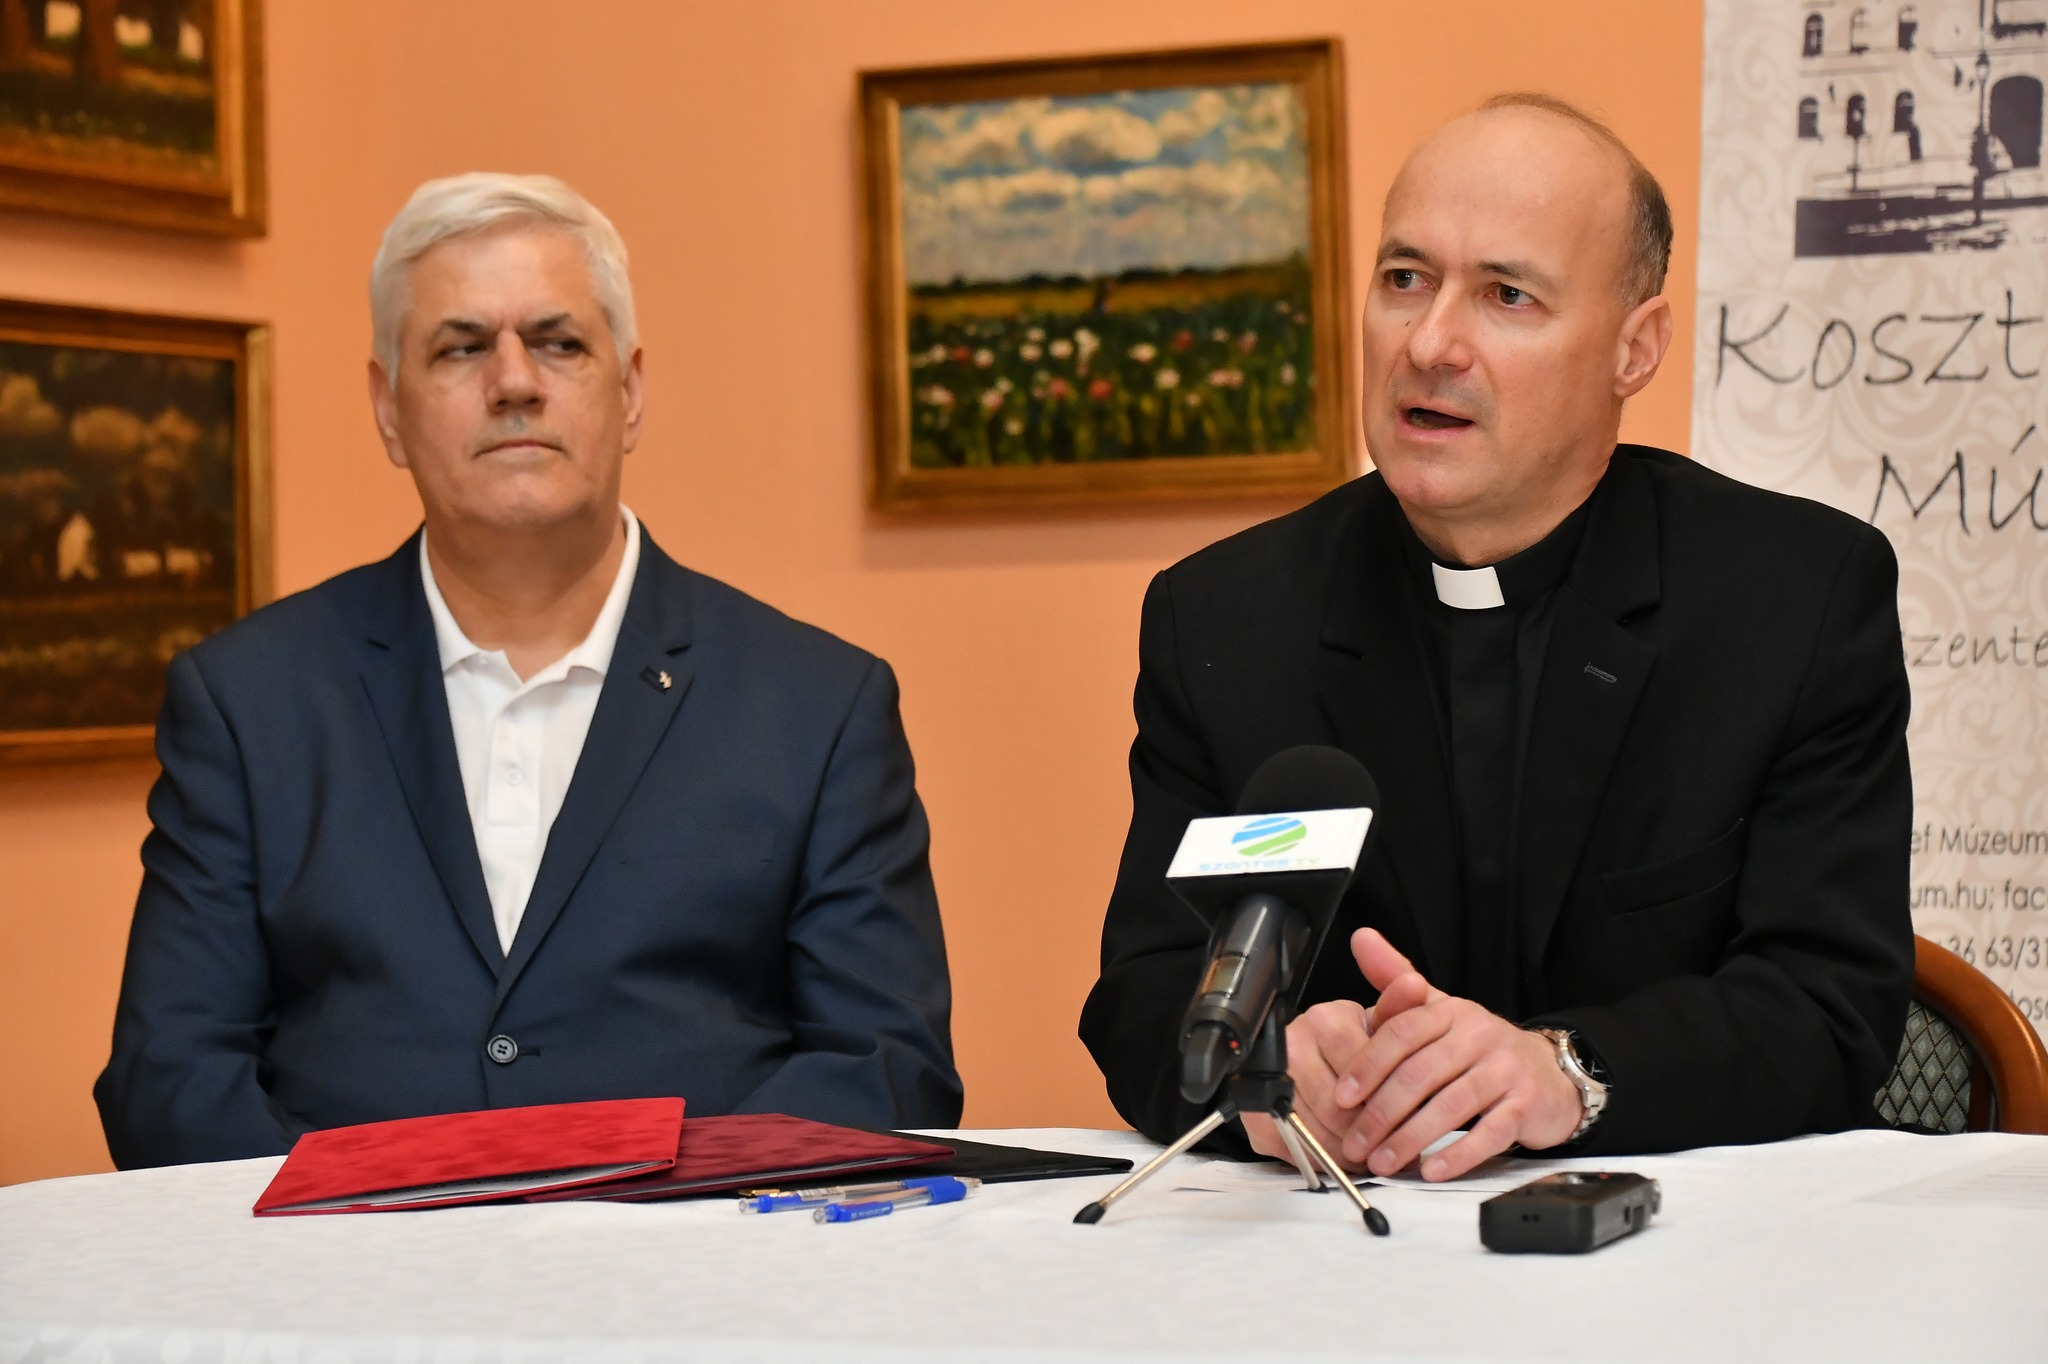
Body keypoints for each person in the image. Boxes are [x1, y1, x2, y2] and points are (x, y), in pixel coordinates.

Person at [1079, 94, 1913, 1180]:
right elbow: (1142, 993)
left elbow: (1827, 1003)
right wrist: (1261, 1073)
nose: (1429, 343)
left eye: (1506, 295)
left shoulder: (1791, 599)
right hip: (1336, 1241)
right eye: (1403, 279)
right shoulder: (1225, 619)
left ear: (1633, 349)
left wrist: (1566, 1070)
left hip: (1674, 1235)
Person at [95, 174, 962, 1167]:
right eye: (461, 348)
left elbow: (884, 1066)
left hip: (700, 1255)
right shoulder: (249, 703)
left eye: (558, 342)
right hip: (343, 1259)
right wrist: (367, 1225)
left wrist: (648, 1217)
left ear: (629, 392)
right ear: (387, 409)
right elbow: (169, 1076)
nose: (514, 382)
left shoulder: (817, 706)